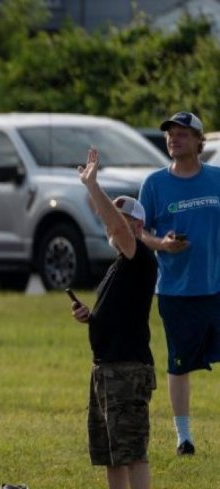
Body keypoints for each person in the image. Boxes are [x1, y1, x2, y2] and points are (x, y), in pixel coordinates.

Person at [71, 148, 156, 489]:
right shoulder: (118, 266)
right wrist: (91, 318)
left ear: (138, 225)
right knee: (110, 453)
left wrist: (93, 186)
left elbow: (117, 226)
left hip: (127, 368)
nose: (111, 222)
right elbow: (117, 313)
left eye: (121, 218)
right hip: (105, 367)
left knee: (132, 452)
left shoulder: (140, 257)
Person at [138, 111, 220, 456]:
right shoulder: (155, 184)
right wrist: (163, 244)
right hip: (176, 290)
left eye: (182, 134)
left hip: (217, 287)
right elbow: (139, 230)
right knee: (179, 363)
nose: (174, 139)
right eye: (170, 134)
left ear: (199, 142)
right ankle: (183, 437)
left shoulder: (217, 179)